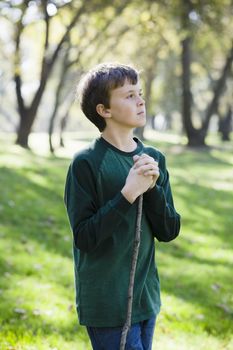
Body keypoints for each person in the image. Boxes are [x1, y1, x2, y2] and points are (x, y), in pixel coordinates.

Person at [64, 62, 181, 350]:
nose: (140, 100)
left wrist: (151, 189)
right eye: (129, 95)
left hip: (146, 298)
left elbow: (169, 230)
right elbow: (85, 237)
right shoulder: (87, 163)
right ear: (104, 110)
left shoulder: (153, 158)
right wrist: (127, 194)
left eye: (139, 93)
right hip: (107, 304)